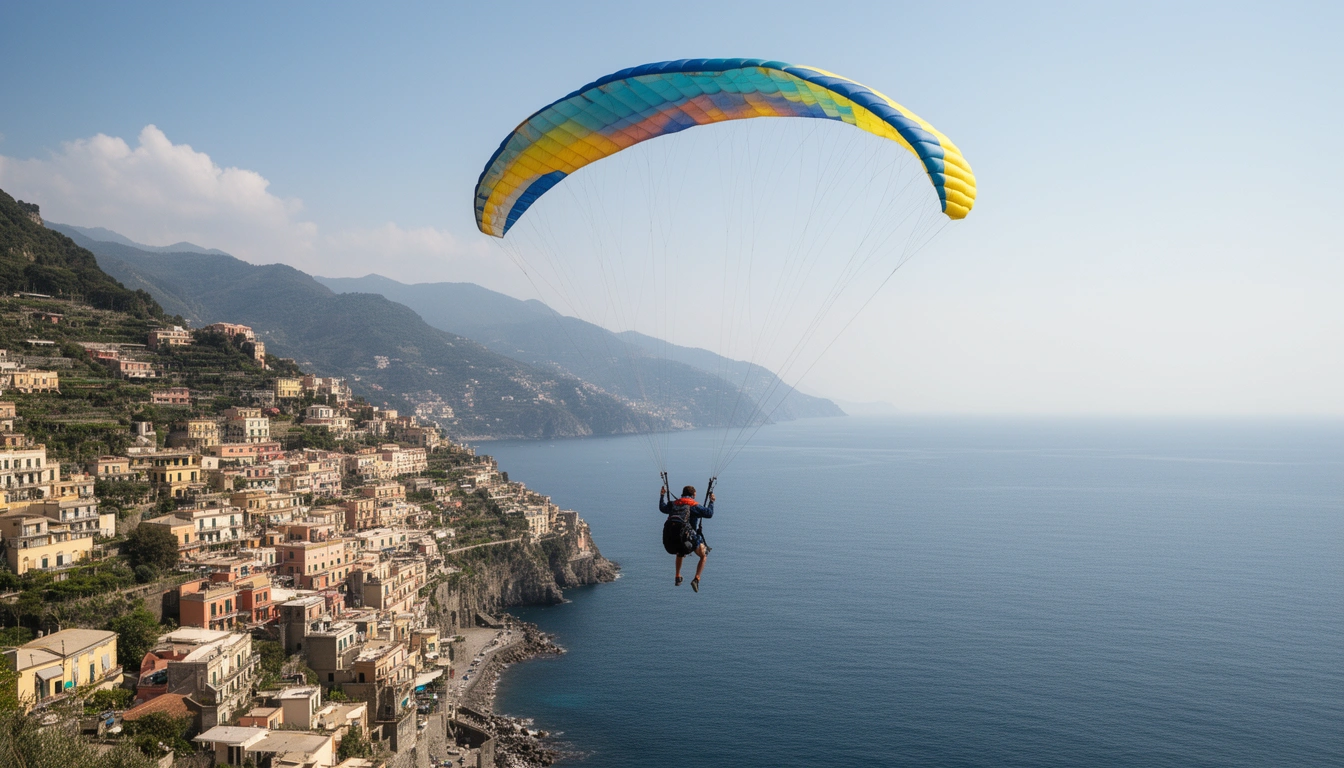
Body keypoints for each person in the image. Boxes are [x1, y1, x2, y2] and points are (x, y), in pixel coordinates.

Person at [660, 484, 715, 592]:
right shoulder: (693, 505)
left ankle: (677, 576)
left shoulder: (674, 504)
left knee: (680, 552)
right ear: (693, 495)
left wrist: (662, 495)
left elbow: (662, 508)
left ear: (683, 494)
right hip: (688, 539)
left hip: (671, 539)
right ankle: (696, 579)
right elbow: (709, 513)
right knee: (704, 555)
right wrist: (712, 501)